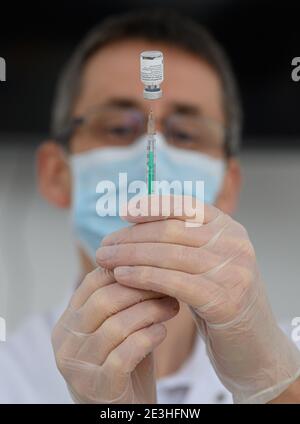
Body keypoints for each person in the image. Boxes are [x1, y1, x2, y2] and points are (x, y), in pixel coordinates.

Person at [0, 9, 300, 404]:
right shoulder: (10, 377)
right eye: (118, 128)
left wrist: (273, 385)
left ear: (228, 186)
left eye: (187, 133)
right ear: (57, 174)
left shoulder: (283, 364)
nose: (147, 155)